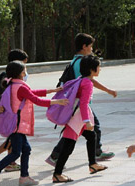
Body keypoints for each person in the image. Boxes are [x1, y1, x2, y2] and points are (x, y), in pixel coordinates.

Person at [0, 61, 69, 186]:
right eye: (24, 70)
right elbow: (36, 100)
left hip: (14, 124)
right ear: (20, 73)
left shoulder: (13, 84)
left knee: (26, 149)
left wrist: (52, 90)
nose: (26, 72)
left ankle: (24, 177)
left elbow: (32, 93)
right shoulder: (20, 87)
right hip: (16, 125)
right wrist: (56, 102)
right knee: (16, 152)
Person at [45, 33, 117, 167]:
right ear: (84, 46)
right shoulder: (81, 63)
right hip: (80, 105)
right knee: (91, 129)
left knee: (76, 131)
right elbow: (88, 80)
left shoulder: (74, 60)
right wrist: (108, 90)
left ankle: (59, 157)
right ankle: (95, 154)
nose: (91, 49)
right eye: (90, 46)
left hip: (76, 104)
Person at [52, 55, 108, 183]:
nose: (100, 69)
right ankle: (57, 174)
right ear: (91, 69)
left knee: (91, 136)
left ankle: (93, 164)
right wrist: (87, 121)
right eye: (99, 67)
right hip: (77, 119)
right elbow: (83, 104)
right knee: (68, 146)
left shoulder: (81, 79)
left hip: (77, 118)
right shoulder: (87, 83)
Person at [0, 49, 29, 172]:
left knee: (14, 137)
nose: (25, 68)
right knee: (15, 137)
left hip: (4, 111)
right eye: (24, 64)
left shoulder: (6, 76)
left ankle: (8, 161)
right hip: (5, 112)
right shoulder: (9, 79)